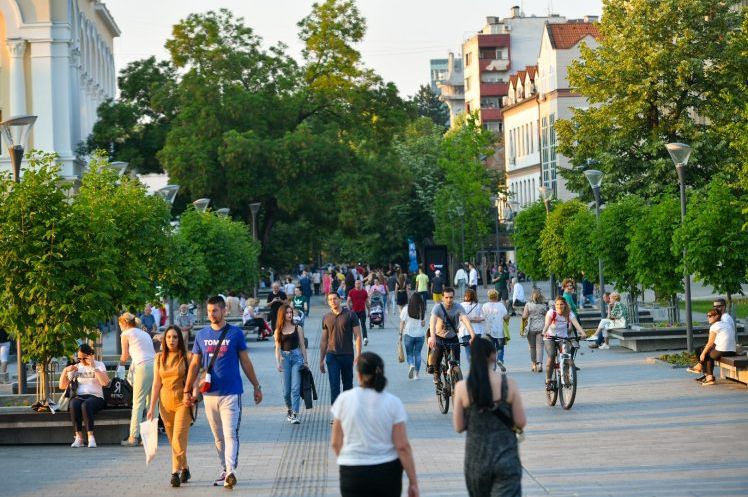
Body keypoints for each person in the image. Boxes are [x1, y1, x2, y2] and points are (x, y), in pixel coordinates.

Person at [184, 296, 263, 489]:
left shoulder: (235, 334)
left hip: (231, 393)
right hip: (209, 394)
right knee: (218, 436)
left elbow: (245, 361)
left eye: (215, 311)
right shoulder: (202, 335)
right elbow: (194, 364)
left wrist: (256, 386)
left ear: (224, 311)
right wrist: (187, 390)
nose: (212, 314)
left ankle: (230, 472)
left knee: (230, 434)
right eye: (209, 311)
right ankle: (224, 468)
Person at [331, 352, 419, 497]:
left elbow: (335, 443)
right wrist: (413, 482)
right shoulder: (393, 403)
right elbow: (402, 446)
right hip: (386, 472)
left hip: (352, 473)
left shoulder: (343, 400)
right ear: (382, 373)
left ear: (359, 375)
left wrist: (348, 458)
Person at [452, 338, 526, 497]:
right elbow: (520, 422)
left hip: (476, 461)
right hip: (506, 459)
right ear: (493, 355)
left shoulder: (462, 388)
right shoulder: (509, 384)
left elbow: (458, 426)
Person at [147, 325, 195, 487]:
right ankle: (185, 468)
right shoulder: (159, 358)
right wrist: (151, 407)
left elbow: (195, 379)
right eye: (168, 337)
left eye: (175, 337)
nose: (171, 340)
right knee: (174, 440)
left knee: (177, 438)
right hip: (165, 403)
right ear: (164, 340)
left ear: (179, 339)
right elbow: (156, 384)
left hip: (183, 401)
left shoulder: (187, 356)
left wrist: (193, 395)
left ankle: (175, 472)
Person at [60, 343, 110, 448]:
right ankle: (79, 438)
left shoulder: (99, 365)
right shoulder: (77, 367)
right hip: (80, 396)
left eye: (84, 358)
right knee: (73, 404)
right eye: (79, 358)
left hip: (96, 397)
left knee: (86, 405)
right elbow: (62, 386)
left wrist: (94, 367)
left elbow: (105, 383)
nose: (81, 361)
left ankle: (91, 437)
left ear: (90, 355)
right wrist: (65, 371)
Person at [119, 312, 157, 447]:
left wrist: (120, 365)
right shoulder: (144, 333)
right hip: (155, 366)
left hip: (142, 367)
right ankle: (151, 437)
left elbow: (124, 356)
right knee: (152, 403)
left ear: (123, 323)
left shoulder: (126, 334)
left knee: (138, 403)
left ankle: (133, 437)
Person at [320, 292, 362, 406]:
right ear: (328, 302)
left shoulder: (350, 315)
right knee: (334, 385)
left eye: (335, 299)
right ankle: (336, 414)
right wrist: (321, 360)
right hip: (331, 355)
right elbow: (324, 340)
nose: (333, 301)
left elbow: (357, 335)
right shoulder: (326, 317)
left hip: (347, 355)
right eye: (330, 300)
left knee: (348, 385)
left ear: (340, 300)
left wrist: (359, 354)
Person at [428, 287, 477, 383]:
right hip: (439, 337)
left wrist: (473, 335)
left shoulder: (458, 306)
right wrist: (433, 337)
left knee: (456, 362)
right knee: (437, 355)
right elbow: (432, 322)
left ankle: (455, 376)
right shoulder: (437, 307)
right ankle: (437, 373)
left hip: (453, 337)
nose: (449, 300)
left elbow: (466, 320)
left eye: (451, 297)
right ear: (442, 298)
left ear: (454, 297)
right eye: (446, 297)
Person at [542, 297, 586, 390]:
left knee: (566, 355)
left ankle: (565, 377)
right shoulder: (552, 312)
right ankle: (548, 380)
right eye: (557, 304)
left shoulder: (569, 313)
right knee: (552, 355)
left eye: (561, 304)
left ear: (565, 305)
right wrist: (544, 331)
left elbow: (576, 324)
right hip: (550, 337)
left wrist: (583, 333)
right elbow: (547, 324)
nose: (559, 306)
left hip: (563, 337)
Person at [274, 304, 309, 423]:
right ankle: (289, 409)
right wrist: (278, 362)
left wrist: (306, 361)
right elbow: (277, 348)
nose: (289, 314)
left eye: (291, 312)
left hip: (297, 358)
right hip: (285, 359)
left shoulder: (298, 328)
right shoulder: (278, 330)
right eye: (287, 313)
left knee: (295, 388)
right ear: (282, 314)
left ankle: (295, 413)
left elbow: (302, 345)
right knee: (286, 391)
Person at [695, 308, 736, 385]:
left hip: (723, 351)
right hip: (732, 351)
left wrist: (703, 354)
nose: (708, 318)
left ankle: (708, 376)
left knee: (706, 353)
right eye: (707, 316)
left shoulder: (714, 326)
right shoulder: (725, 324)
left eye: (710, 316)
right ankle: (704, 373)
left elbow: (710, 344)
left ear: (717, 316)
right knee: (701, 349)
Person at [399, 293, 426, 380]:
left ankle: (411, 364)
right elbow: (423, 323)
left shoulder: (406, 309)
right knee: (418, 354)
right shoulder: (422, 309)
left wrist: (400, 334)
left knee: (409, 354)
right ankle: (417, 375)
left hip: (409, 334)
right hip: (420, 335)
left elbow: (402, 322)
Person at [482, 289, 510, 367]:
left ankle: (492, 366)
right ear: (497, 296)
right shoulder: (501, 305)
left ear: (489, 297)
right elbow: (505, 317)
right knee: (500, 347)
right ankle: (500, 359)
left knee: (491, 349)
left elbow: (482, 317)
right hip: (500, 331)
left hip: (489, 331)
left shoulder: (485, 306)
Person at [522, 289, 547, 372]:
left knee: (532, 347)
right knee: (540, 346)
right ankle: (540, 364)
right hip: (541, 327)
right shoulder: (543, 305)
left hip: (531, 328)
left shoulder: (528, 305)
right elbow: (547, 316)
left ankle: (534, 364)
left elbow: (524, 316)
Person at [459, 288, 485, 362]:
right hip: (477, 330)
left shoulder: (461, 305)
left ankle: (472, 368)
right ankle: (478, 367)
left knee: (468, 350)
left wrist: (468, 319)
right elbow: (483, 318)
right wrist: (475, 319)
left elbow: (459, 318)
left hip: (465, 331)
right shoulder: (478, 305)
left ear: (465, 296)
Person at [347, 279, 370, 346]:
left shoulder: (364, 292)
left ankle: (365, 338)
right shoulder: (351, 292)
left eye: (359, 283)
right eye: (356, 283)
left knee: (363, 325)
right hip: (354, 312)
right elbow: (348, 301)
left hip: (362, 311)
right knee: (354, 326)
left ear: (361, 284)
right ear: (354, 284)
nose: (358, 285)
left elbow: (367, 302)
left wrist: (369, 310)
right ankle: (355, 339)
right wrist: (349, 310)